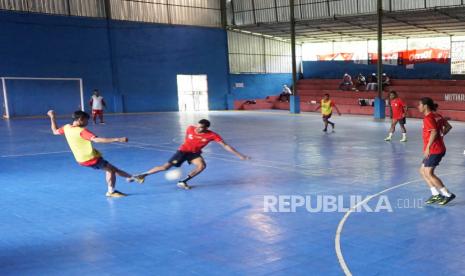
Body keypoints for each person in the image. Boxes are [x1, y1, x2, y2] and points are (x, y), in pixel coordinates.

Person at [47, 110, 144, 197]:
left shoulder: (67, 127)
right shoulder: (82, 131)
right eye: (86, 120)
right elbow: (97, 140)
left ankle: (133, 177)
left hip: (81, 159)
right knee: (111, 170)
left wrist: (52, 117)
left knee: (112, 169)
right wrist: (117, 139)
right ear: (80, 119)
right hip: (90, 159)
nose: (87, 122)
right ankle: (111, 192)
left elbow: (55, 131)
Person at [136, 119, 250, 190]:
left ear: (206, 128)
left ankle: (182, 182)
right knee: (165, 167)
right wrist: (188, 146)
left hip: (194, 153)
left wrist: (240, 155)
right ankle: (142, 175)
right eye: (198, 126)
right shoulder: (190, 128)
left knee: (202, 166)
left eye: (201, 128)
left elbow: (225, 145)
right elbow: (187, 138)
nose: (198, 129)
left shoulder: (212, 135)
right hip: (183, 151)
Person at [418, 97, 455, 205]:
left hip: (434, 150)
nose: (418, 107)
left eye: (420, 105)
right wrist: (441, 135)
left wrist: (428, 147)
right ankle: (435, 194)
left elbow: (433, 132)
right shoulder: (437, 116)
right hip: (437, 148)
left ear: (425, 106)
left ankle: (447, 194)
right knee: (422, 171)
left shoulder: (428, 118)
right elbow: (448, 126)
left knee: (429, 173)